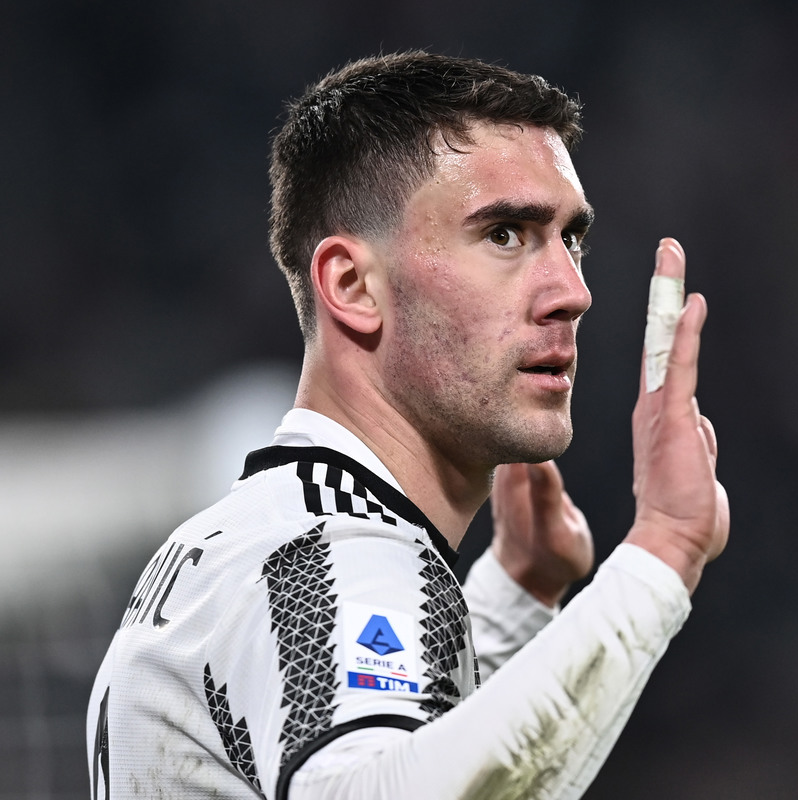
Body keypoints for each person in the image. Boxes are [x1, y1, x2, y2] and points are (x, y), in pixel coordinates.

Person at [86, 50, 728, 800]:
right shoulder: (323, 552)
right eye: (505, 234)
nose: (573, 291)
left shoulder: (266, 536)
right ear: (353, 286)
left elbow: (389, 745)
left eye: (571, 239)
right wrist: (663, 551)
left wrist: (514, 601)